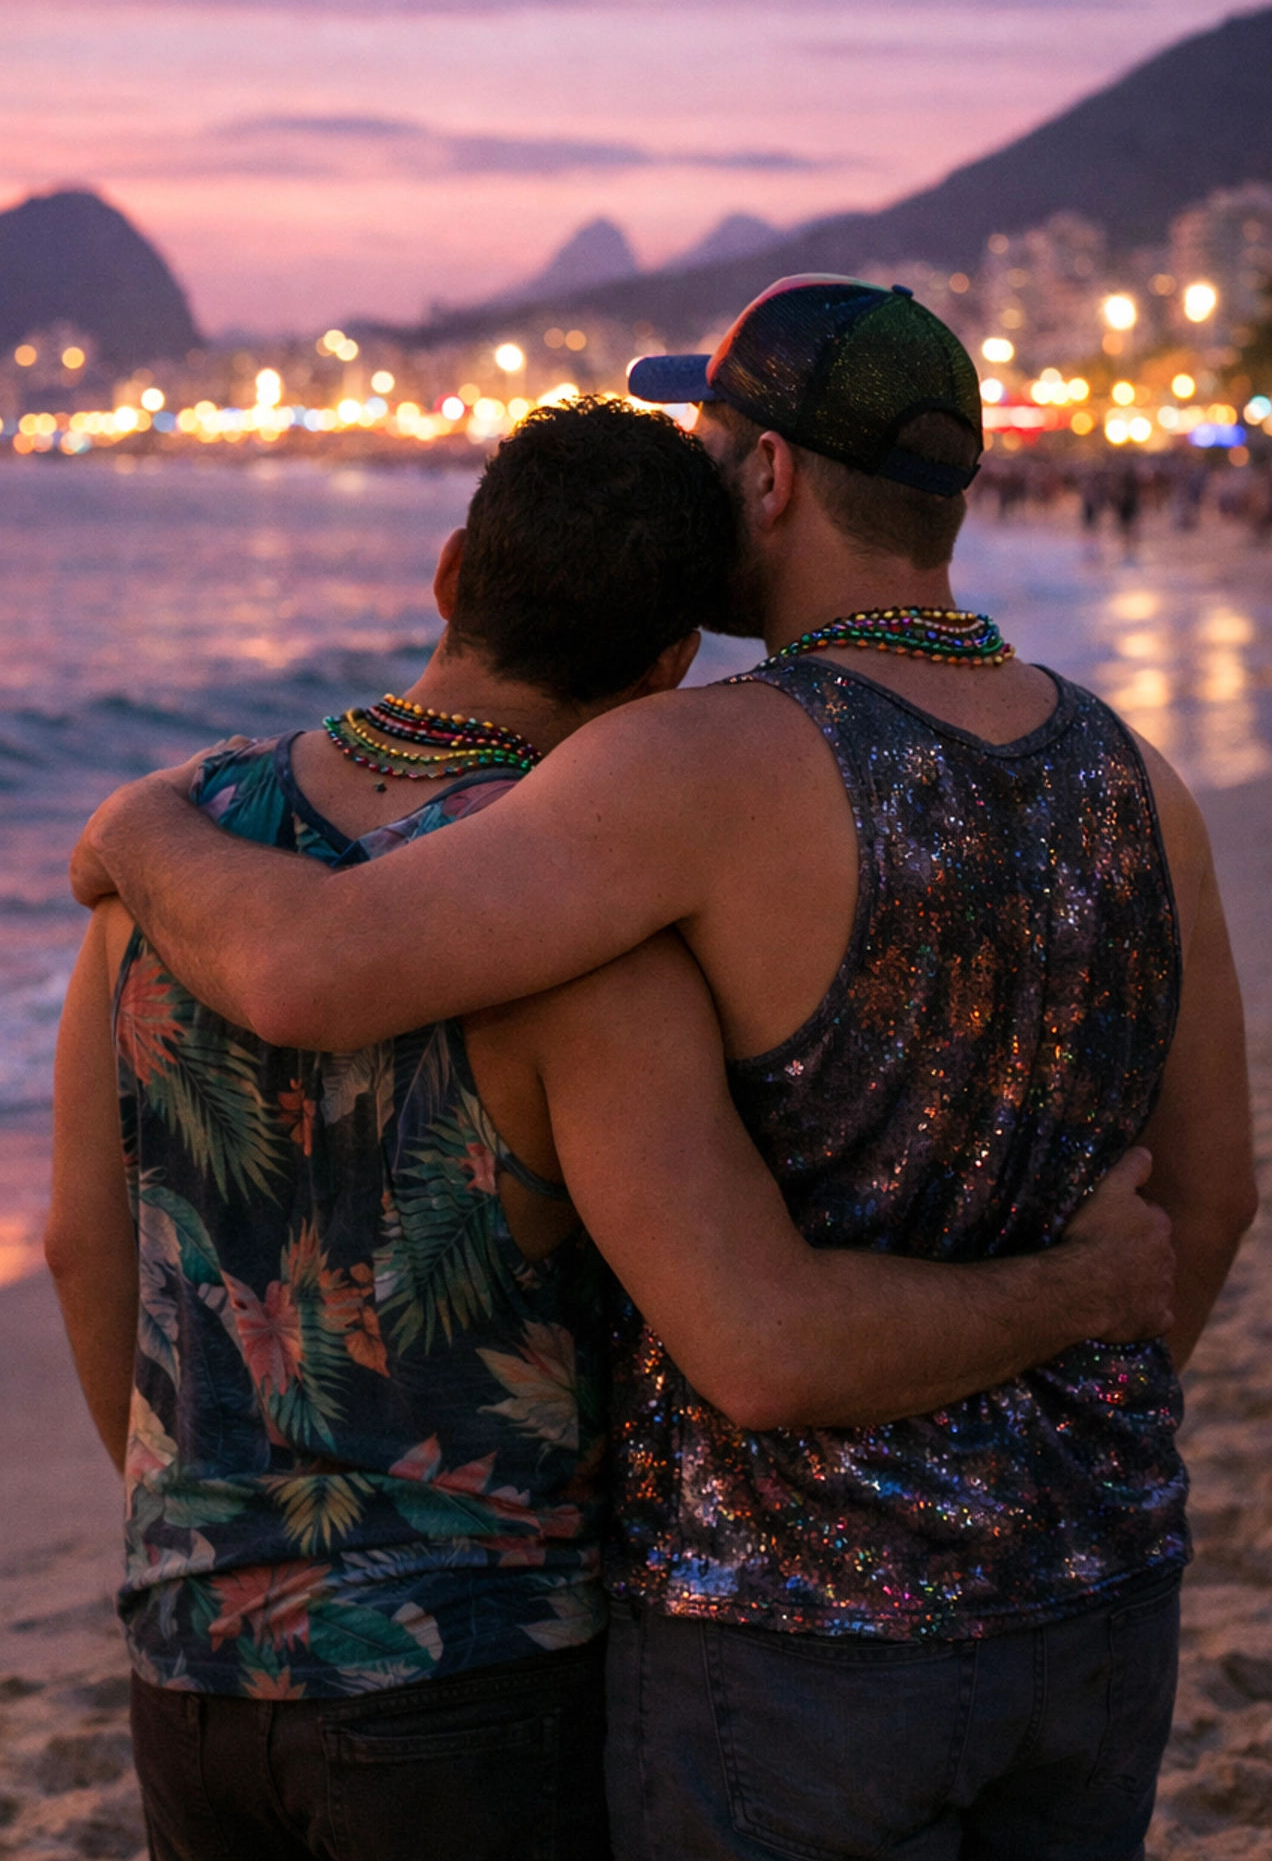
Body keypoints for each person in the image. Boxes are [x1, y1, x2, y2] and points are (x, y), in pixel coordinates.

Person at [72, 281, 1255, 1860]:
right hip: (1103, 1594)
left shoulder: (696, 766)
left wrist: (142, 823)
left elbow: (302, 969)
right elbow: (1216, 1191)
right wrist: (1051, 1436)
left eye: (711, 439)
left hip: (789, 1630)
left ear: (767, 476)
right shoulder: (1139, 774)